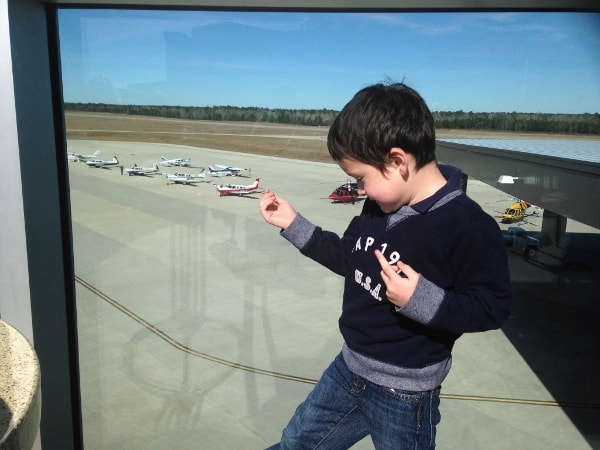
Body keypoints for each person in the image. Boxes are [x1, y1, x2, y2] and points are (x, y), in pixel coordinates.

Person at [259, 82, 512, 449]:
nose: (360, 191)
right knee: (294, 444)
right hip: (348, 369)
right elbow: (350, 258)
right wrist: (294, 225)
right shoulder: (377, 208)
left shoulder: (469, 227)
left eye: (361, 179)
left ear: (397, 161)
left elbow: (493, 307)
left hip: (404, 394)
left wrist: (421, 299)